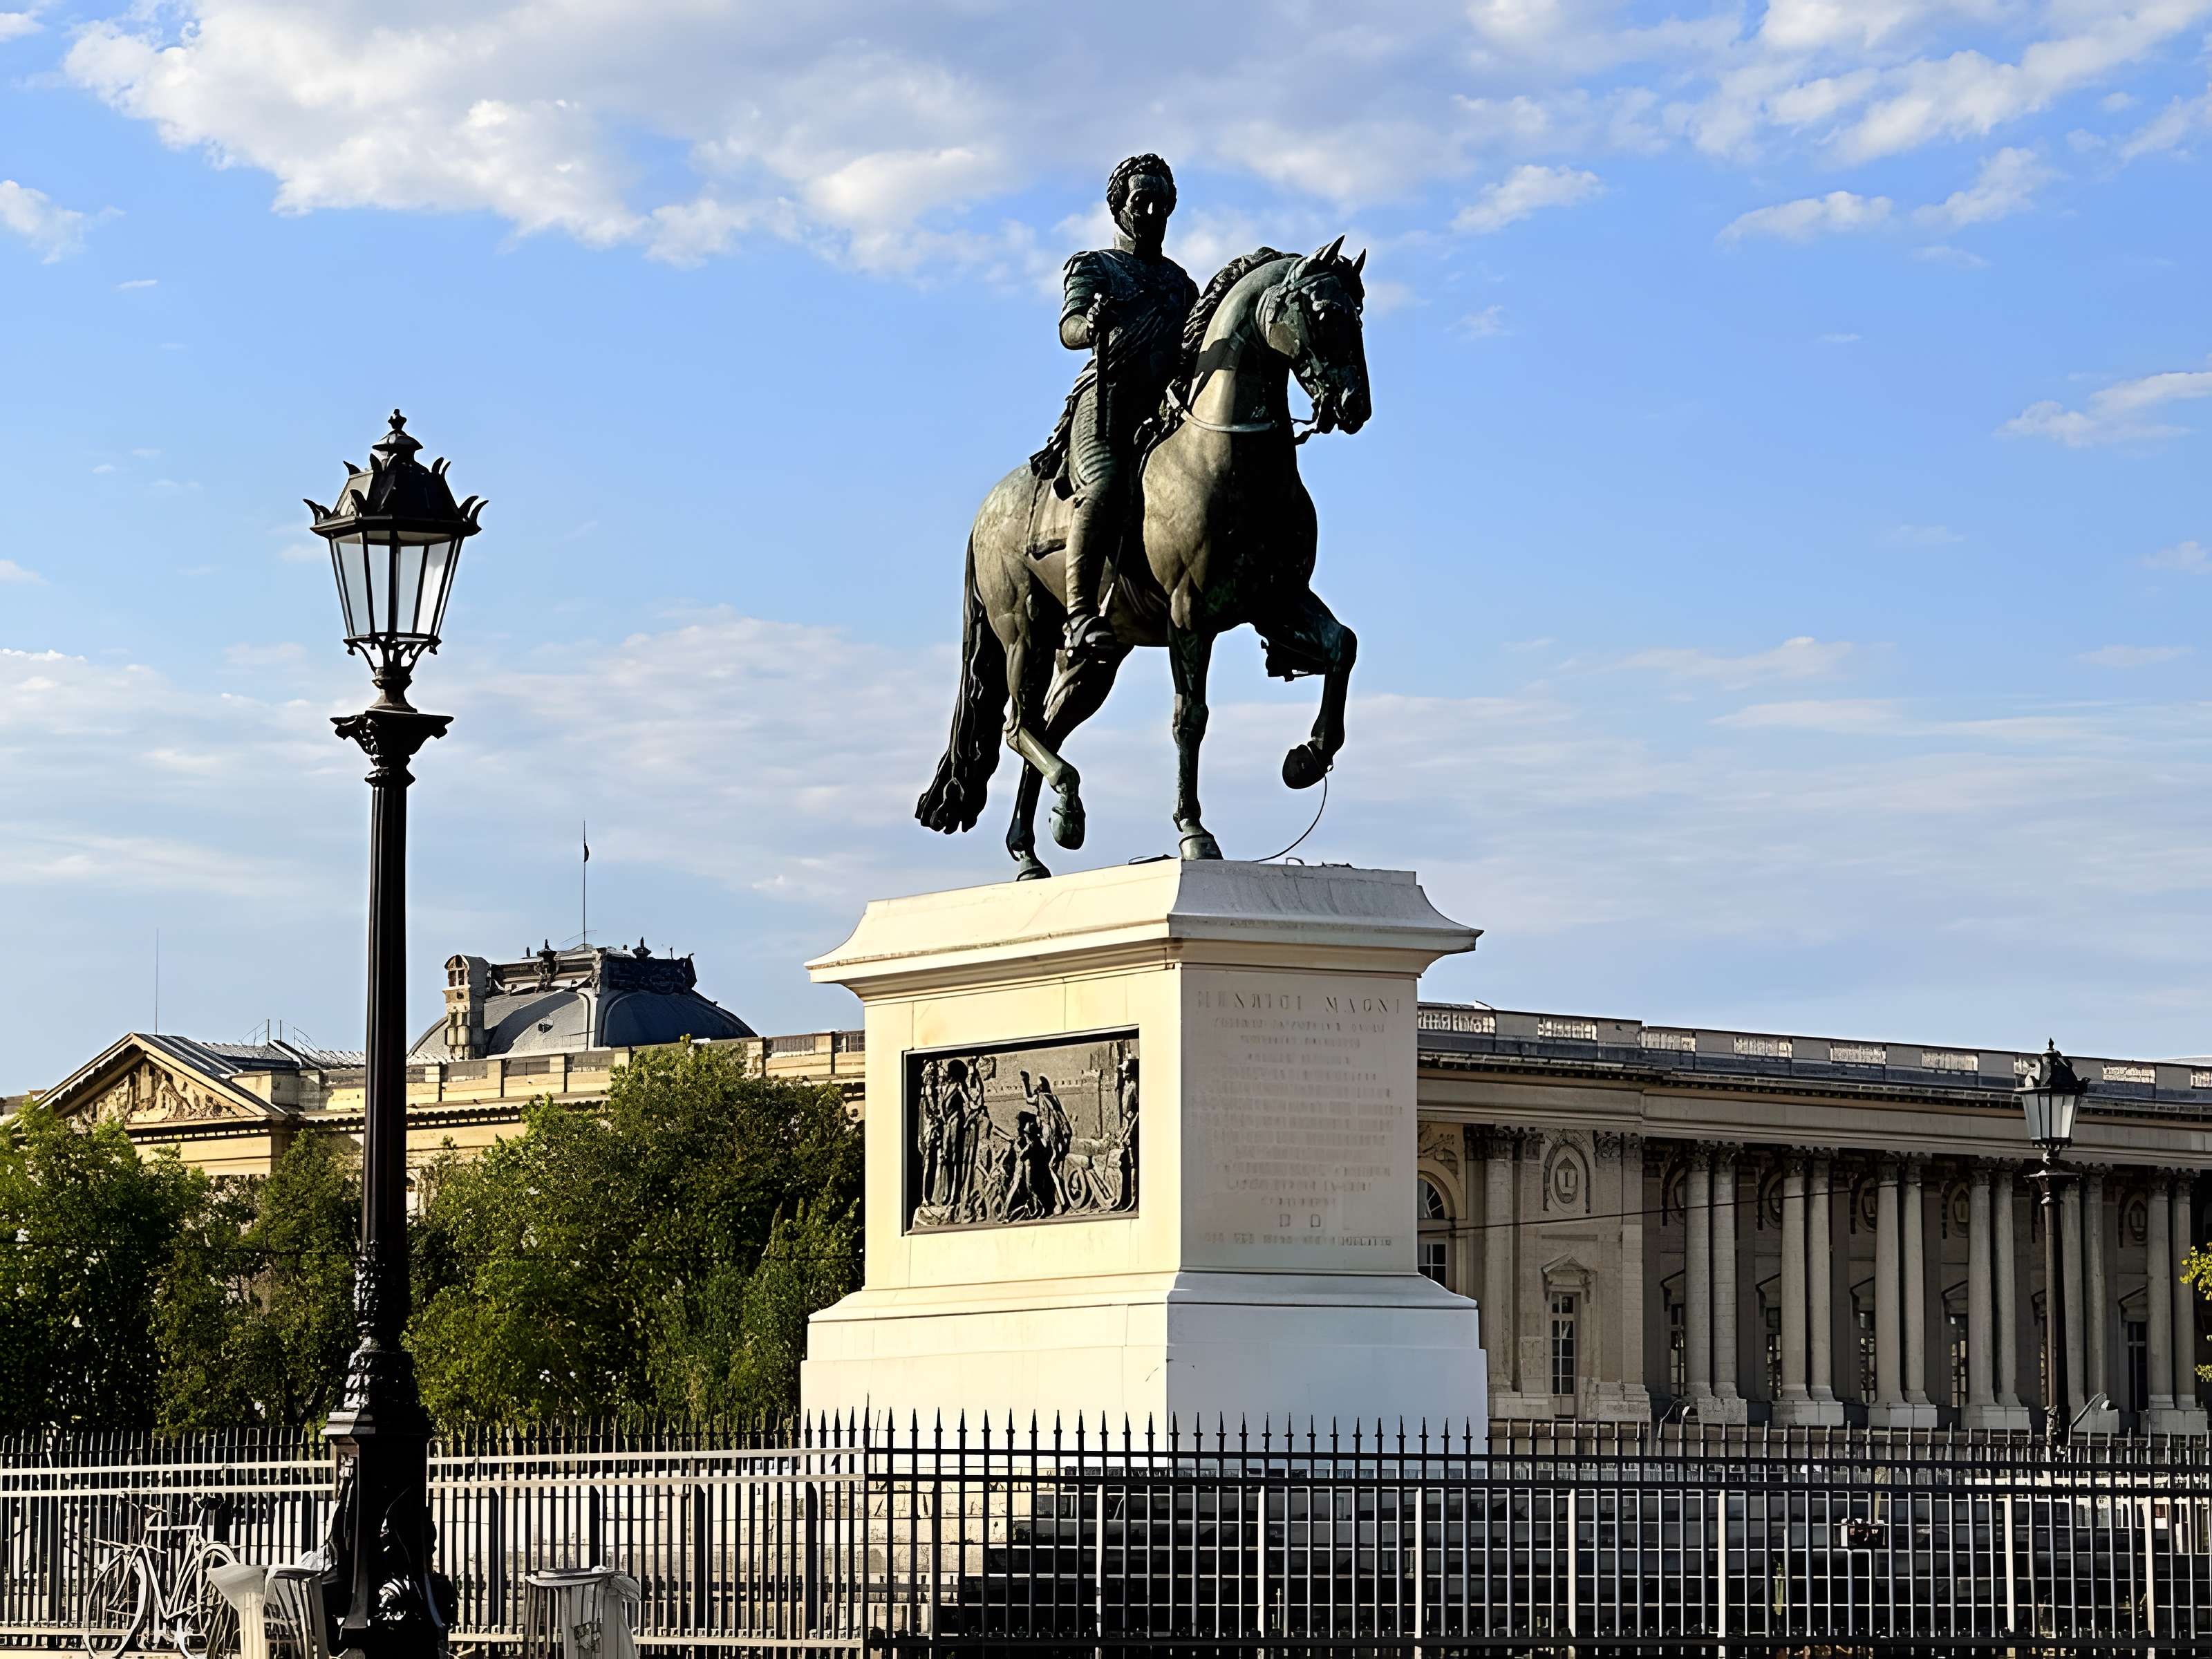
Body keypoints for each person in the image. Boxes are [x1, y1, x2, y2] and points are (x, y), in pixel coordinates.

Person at [1039, 154, 1199, 662]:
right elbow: (1068, 331)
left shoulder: (1181, 284)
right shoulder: (1095, 266)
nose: (1151, 211)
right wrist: (1092, 325)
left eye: (1161, 203)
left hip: (1164, 410)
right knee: (1105, 485)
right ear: (1118, 209)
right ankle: (1081, 613)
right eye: (1140, 201)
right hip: (1105, 401)